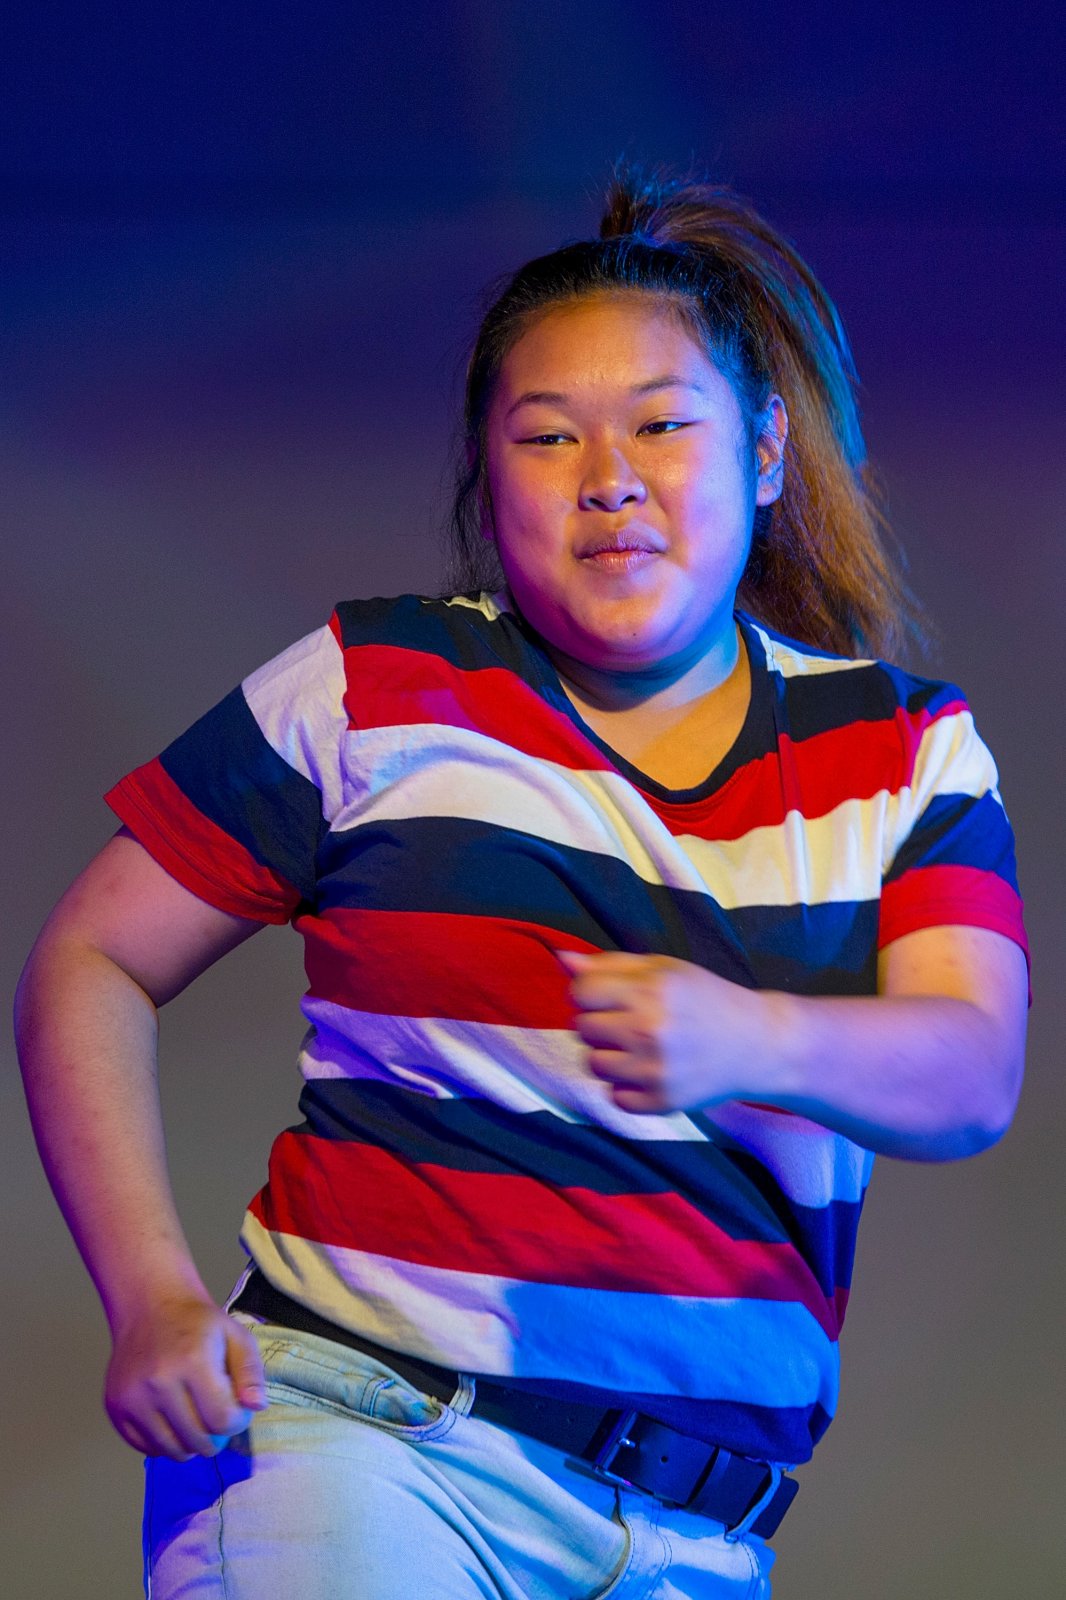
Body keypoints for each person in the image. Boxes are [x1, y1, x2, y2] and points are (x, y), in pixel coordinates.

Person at [15, 168, 1029, 1599]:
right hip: (364, 1444)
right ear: (487, 483)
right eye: (548, 436)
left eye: (661, 424)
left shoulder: (903, 750)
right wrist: (153, 1300)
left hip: (696, 1541)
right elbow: (92, 959)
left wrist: (751, 1038)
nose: (608, 475)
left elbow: (971, 1072)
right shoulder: (379, 688)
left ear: (764, 452)